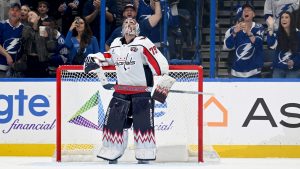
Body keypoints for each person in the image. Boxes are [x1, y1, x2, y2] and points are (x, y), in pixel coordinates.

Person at [85, 18, 169, 164]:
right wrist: (94, 59)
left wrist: (163, 85)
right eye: (126, 23)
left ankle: (144, 155)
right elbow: (109, 57)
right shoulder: (116, 43)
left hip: (141, 93)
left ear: (137, 27)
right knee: (114, 124)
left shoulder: (143, 42)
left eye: (132, 23)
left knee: (143, 126)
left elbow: (160, 64)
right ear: (122, 27)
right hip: (121, 92)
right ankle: (112, 152)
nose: (128, 24)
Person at [16, 10, 68, 77]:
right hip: (28, 62)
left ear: (38, 17)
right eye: (28, 16)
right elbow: (23, 40)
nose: (29, 16)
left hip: (42, 62)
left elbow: (52, 48)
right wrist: (31, 26)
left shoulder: (45, 29)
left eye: (31, 14)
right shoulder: (26, 28)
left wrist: (48, 38)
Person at [223, 3, 264, 78]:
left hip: (253, 72)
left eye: (249, 10)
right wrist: (235, 32)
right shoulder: (234, 29)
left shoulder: (258, 27)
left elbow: (258, 44)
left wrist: (248, 31)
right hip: (236, 72)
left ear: (254, 14)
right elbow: (228, 46)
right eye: (244, 10)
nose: (246, 12)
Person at [266, 11, 300, 78]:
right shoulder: (277, 33)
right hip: (278, 68)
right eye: (282, 17)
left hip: (294, 69)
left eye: (287, 17)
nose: (284, 19)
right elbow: (271, 45)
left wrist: (294, 62)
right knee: (276, 88)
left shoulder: (298, 34)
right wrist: (270, 27)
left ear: (291, 20)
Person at [0, 2, 23, 77]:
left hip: (18, 69)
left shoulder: (24, 28)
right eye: (12, 10)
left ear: (20, 13)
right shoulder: (1, 25)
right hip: (1, 66)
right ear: (8, 12)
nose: (14, 12)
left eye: (17, 10)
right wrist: (7, 55)